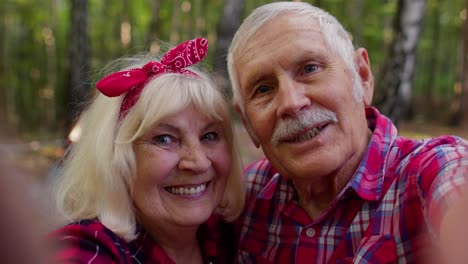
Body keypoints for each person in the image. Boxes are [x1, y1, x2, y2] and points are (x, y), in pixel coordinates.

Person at [226, 2, 468, 263]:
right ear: (247, 122)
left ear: (362, 77)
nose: (291, 103)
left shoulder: (429, 171)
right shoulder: (243, 199)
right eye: (263, 89)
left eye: (310, 69)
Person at [48, 37, 244, 264]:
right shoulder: (85, 248)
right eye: (165, 138)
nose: (199, 162)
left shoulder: (233, 233)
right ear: (114, 157)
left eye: (209, 136)